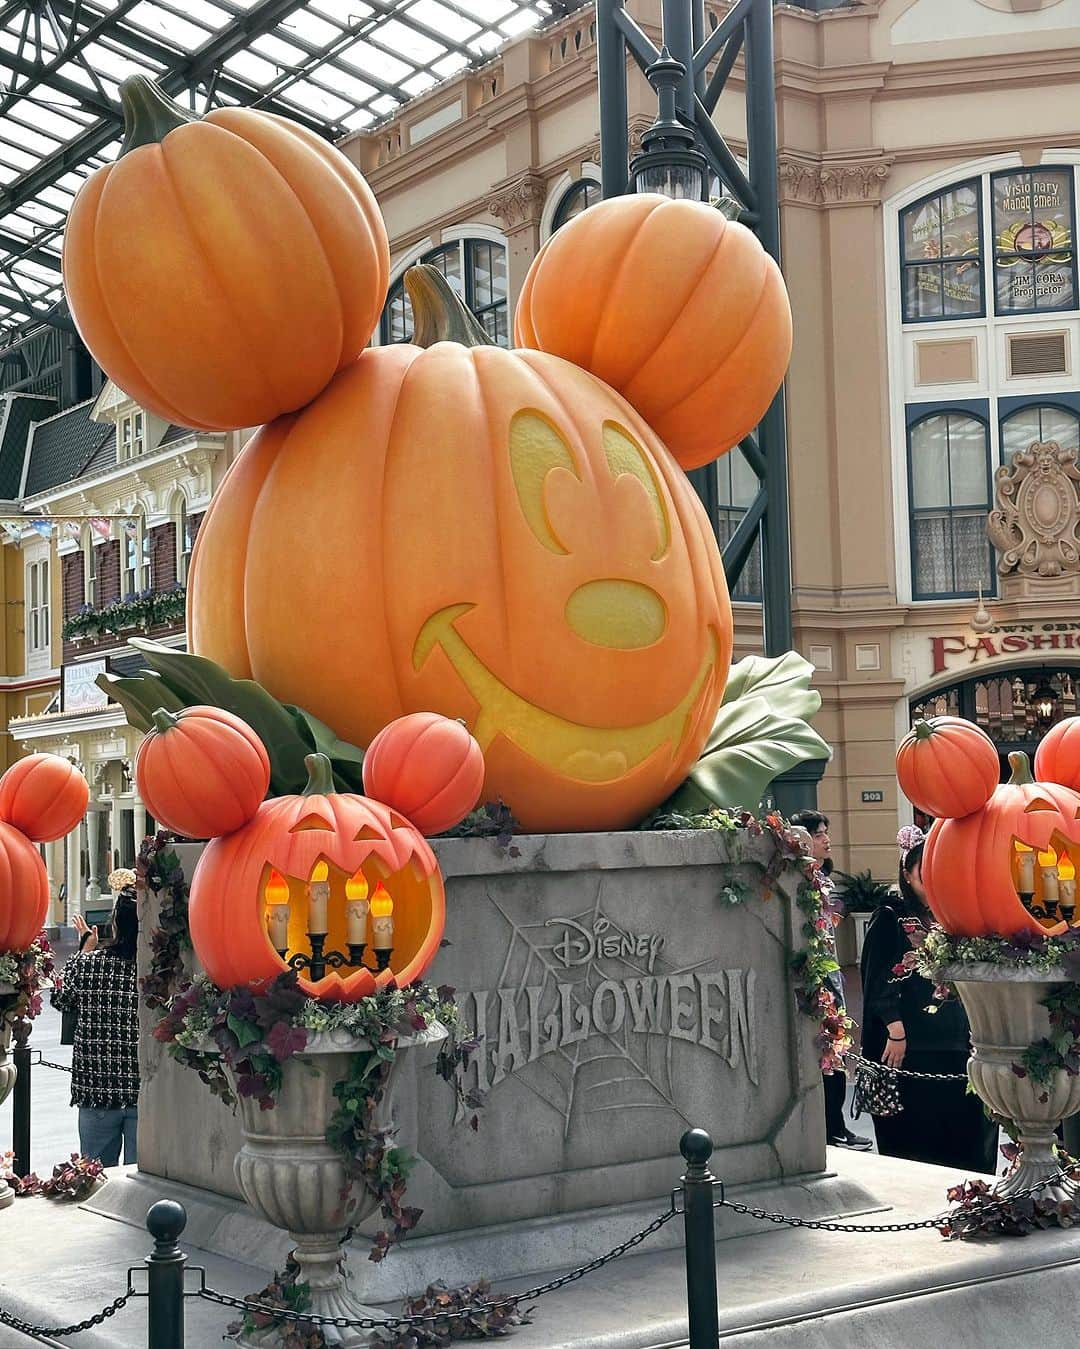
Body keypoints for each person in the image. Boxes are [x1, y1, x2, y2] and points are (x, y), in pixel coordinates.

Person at [859, 828, 997, 1173]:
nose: (932, 879)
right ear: (907, 873)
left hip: (959, 1040)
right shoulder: (890, 915)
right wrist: (895, 1030)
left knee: (966, 1129)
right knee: (917, 1133)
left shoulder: (955, 912)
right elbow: (877, 978)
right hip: (910, 1044)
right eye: (924, 871)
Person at [790, 809, 872, 1152]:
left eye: (825, 832)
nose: (826, 839)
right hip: (814, 983)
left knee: (835, 1057)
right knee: (826, 1061)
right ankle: (830, 1129)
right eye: (820, 833)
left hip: (831, 978)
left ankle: (836, 1126)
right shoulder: (798, 878)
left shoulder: (821, 877)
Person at [51, 873, 140, 1167]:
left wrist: (84, 949)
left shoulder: (89, 965)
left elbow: (59, 998)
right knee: (146, 1183)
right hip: (142, 1094)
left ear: (114, 924)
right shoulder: (154, 973)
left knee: (98, 1182)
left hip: (96, 1092)